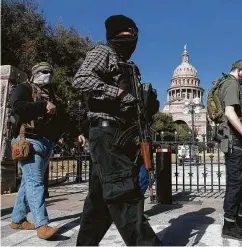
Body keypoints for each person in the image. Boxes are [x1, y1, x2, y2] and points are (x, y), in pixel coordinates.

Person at [72, 15, 161, 246]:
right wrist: (117, 93)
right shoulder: (104, 52)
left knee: (99, 202)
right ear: (114, 35)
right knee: (124, 195)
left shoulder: (128, 66)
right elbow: (81, 79)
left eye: (133, 34)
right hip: (106, 131)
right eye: (126, 33)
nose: (131, 38)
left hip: (120, 135)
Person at [10, 62, 69, 239]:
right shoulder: (24, 88)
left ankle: (18, 219)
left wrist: (63, 134)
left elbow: (59, 119)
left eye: (51, 72)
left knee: (28, 183)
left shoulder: (51, 94)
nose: (48, 75)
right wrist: (43, 106)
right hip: (27, 140)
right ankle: (42, 225)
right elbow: (17, 106)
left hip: (45, 142)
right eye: (44, 72)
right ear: (35, 73)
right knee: (36, 183)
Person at [216, 60, 242, 241]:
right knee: (236, 181)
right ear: (240, 71)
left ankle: (239, 219)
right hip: (234, 139)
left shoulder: (233, 85)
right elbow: (229, 112)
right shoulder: (231, 84)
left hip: (237, 138)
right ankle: (229, 225)